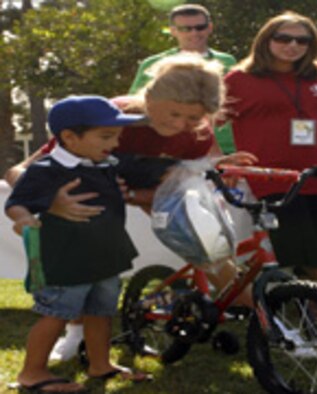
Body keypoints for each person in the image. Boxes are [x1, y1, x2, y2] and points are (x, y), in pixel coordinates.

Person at [5, 54, 256, 362]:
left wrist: (216, 167)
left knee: (207, 243)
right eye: (173, 113)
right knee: (82, 260)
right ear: (148, 97)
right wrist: (52, 199)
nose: (181, 125)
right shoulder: (110, 116)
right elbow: (19, 172)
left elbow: (188, 173)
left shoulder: (196, 133)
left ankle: (266, 318)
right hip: (92, 196)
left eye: (193, 119)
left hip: (146, 189)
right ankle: (76, 330)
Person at [6, 96, 164, 393]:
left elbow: (151, 169)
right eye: (106, 136)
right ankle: (32, 373)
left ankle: (100, 364)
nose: (115, 143)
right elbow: (16, 203)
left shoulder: (106, 163)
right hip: (67, 259)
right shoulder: (47, 169)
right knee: (56, 315)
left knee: (100, 312)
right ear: (69, 137)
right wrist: (25, 218)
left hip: (105, 255)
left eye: (117, 135)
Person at [223, 11, 317, 292]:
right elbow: (207, 120)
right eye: (284, 38)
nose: (293, 45)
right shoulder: (239, 79)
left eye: (302, 40)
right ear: (266, 40)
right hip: (273, 178)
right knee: (298, 243)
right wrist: (220, 159)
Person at [129, 3, 237, 154]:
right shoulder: (153, 64)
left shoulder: (228, 62)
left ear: (210, 27)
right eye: (185, 29)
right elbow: (136, 104)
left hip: (224, 145)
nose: (193, 33)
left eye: (199, 27)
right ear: (173, 31)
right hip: (171, 146)